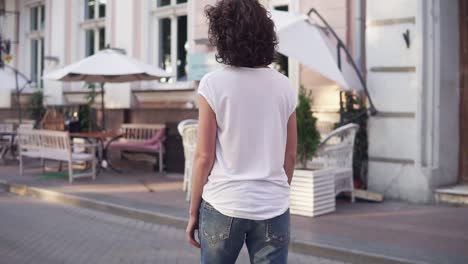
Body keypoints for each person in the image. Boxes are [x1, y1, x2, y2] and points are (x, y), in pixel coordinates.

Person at [185, 0, 297, 263]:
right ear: (265, 34)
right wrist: (274, 192)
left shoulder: (213, 84)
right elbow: (290, 155)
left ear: (223, 35)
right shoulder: (284, 86)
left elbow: (203, 157)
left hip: (223, 203)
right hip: (273, 207)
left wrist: (193, 213)